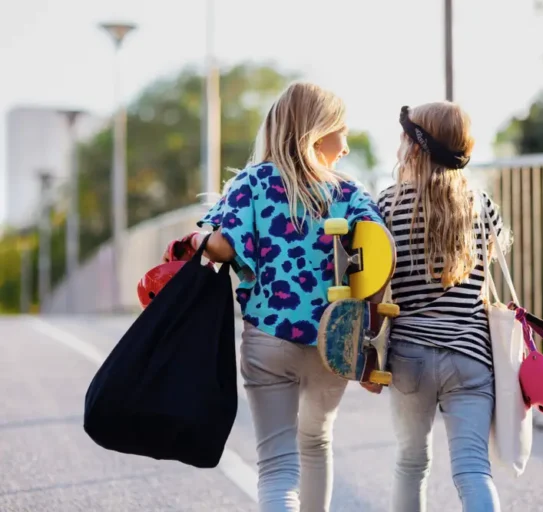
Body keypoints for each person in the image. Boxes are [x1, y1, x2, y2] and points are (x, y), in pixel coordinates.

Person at [163, 82, 384, 512]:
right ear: (319, 133)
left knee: (278, 467)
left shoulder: (252, 182)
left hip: (269, 338)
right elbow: (380, 253)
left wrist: (197, 239)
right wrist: (373, 349)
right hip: (333, 342)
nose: (346, 143)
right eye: (342, 130)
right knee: (317, 442)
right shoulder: (347, 192)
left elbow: (224, 247)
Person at [372, 102, 506, 511]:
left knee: (411, 463)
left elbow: (375, 283)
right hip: (471, 356)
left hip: (409, 356)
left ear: (415, 147)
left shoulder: (388, 206)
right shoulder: (481, 204)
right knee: (472, 469)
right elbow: (490, 268)